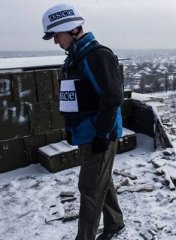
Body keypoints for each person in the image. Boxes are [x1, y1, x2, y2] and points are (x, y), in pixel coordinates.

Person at [42, 4, 125, 240]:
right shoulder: (77, 58)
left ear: (71, 29)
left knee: (89, 188)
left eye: (57, 36)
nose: (56, 42)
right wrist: (72, 129)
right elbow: (77, 98)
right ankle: (115, 224)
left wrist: (101, 135)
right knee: (101, 180)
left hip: (99, 135)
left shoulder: (97, 55)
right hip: (87, 133)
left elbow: (112, 98)